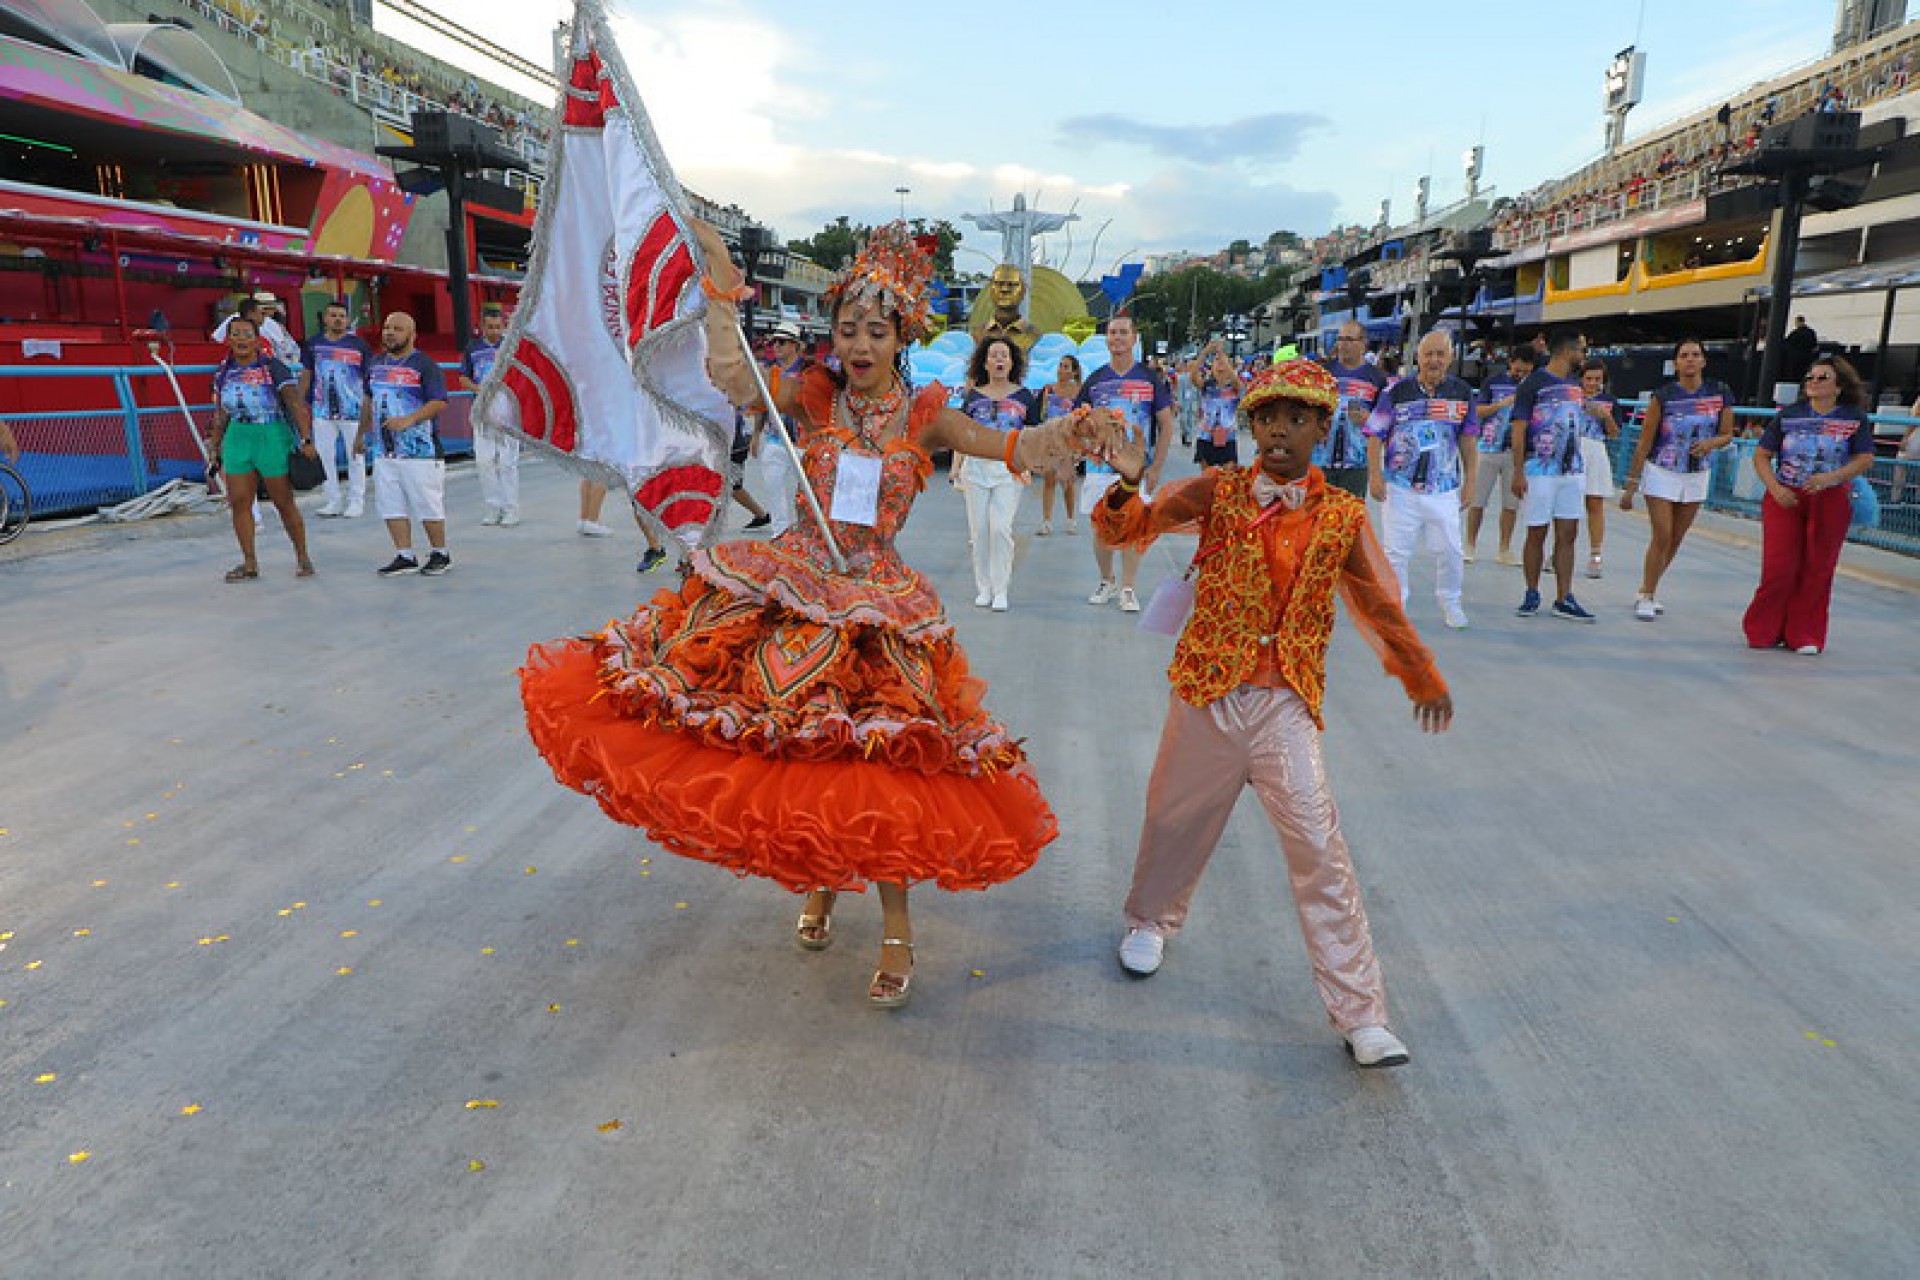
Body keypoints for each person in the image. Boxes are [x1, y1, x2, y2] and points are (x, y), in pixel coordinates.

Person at [519, 221, 1105, 1009]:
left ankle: (896, 927)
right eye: (846, 328)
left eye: (875, 329)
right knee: (799, 759)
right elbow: (733, 377)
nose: (858, 343)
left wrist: (1071, 429)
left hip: (878, 604)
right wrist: (723, 290)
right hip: (795, 586)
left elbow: (1009, 446)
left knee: (884, 763)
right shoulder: (815, 395)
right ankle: (823, 880)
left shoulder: (926, 412)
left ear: (902, 335)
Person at [1095, 359, 1453, 1069]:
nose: (1280, 431)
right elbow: (1127, 531)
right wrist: (1131, 478)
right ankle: (1149, 921)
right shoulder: (1220, 490)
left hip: (1285, 703)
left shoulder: (1344, 516)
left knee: (1320, 847)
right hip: (1208, 692)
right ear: (1251, 425)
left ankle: (1362, 1014)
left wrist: (1421, 675)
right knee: (1174, 817)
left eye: (1296, 418)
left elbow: (1379, 601)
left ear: (1324, 426)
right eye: (1267, 418)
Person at [1741, 356, 1876, 655]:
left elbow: (1865, 458)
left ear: (1838, 386)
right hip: (1786, 497)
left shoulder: (1854, 418)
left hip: (1830, 499)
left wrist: (1832, 478)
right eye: (1810, 377)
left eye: (1822, 377)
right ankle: (1763, 628)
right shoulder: (1789, 415)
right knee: (1779, 567)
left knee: (1818, 567)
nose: (1813, 382)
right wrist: (1775, 489)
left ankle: (1805, 634)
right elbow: (1762, 455)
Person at [1365, 330, 1477, 629]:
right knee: (1396, 552)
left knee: (1451, 550)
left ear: (1450, 358)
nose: (1434, 360)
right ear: (1418, 357)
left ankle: (1450, 601)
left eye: (1440, 354)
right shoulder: (1396, 392)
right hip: (1400, 487)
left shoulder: (1462, 393)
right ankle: (1396, 604)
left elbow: (1468, 439)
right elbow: (1375, 435)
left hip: (1442, 489)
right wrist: (1375, 477)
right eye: (1428, 354)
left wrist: (1470, 482)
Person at [1619, 339, 1734, 620]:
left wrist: (1711, 444)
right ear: (1676, 363)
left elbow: (1727, 433)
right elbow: (1645, 440)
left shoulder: (1720, 393)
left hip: (1697, 472)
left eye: (1696, 355)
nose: (1690, 360)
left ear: (1704, 360)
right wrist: (1631, 485)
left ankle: (1649, 587)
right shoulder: (1664, 395)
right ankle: (1646, 595)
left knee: (1676, 538)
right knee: (1662, 533)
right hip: (1662, 470)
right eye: (1684, 355)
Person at [207, 317, 315, 582]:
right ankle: (250, 563)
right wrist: (215, 444)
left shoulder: (273, 368)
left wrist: (306, 439)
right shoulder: (223, 372)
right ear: (229, 339)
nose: (241, 339)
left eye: (247, 334)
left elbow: (294, 403)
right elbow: (221, 412)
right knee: (240, 502)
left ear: (257, 339)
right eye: (236, 334)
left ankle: (303, 557)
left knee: (283, 501)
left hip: (271, 434)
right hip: (238, 437)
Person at [1079, 313, 1173, 613]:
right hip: (1099, 468)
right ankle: (1106, 580)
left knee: (1134, 525)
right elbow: (1077, 423)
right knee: (1101, 527)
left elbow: (1166, 424)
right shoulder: (1095, 381)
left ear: (1134, 338)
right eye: (1111, 332)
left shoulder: (1149, 379)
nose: (1117, 338)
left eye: (1123, 332)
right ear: (1106, 339)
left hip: (1135, 470)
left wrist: (1156, 465)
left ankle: (1128, 587)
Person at [1510, 329, 1597, 621]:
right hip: (1539, 471)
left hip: (1571, 470)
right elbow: (1519, 428)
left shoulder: (1575, 385)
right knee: (1537, 531)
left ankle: (1564, 597)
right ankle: (1532, 591)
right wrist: (1518, 470)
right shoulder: (1532, 384)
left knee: (1568, 533)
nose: (1583, 356)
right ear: (1566, 350)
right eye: (1580, 350)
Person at [357, 312, 452, 577]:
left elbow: (439, 401)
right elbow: (368, 401)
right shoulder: (375, 365)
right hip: (384, 450)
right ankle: (404, 555)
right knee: (390, 504)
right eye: (387, 327)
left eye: (397, 329)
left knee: (427, 504)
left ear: (412, 335)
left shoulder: (425, 365)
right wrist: (360, 436)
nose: (390, 333)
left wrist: (409, 420)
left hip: (420, 452)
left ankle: (440, 553)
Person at [957, 335, 1040, 611]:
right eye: (994, 355)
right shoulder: (973, 396)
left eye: (1004, 355)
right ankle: (984, 588)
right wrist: (956, 469)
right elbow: (962, 435)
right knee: (979, 531)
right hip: (976, 468)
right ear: (985, 362)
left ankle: (1001, 589)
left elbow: (1032, 435)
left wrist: (1027, 466)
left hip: (1008, 469)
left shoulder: (1025, 396)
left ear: (1012, 361)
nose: (999, 360)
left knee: (1001, 529)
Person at [300, 298, 373, 518]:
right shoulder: (313, 344)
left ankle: (356, 500)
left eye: (342, 316)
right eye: (333, 315)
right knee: (324, 456)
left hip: (352, 410)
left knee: (355, 455)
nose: (338, 319)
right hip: (322, 410)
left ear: (348, 320)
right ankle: (332, 500)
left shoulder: (359, 346)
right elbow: (306, 374)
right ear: (324, 318)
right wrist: (299, 402)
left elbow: (368, 376)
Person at [1465, 345, 1533, 565]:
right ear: (1510, 363)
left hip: (1515, 452)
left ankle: (1504, 548)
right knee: (1478, 500)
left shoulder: (1532, 387)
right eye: (1516, 369)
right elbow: (1477, 410)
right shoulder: (1492, 382)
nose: (1519, 374)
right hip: (1489, 447)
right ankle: (1469, 544)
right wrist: (1500, 405)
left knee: (1511, 503)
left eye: (1524, 371)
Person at [1315, 321, 1390, 498]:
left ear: (1363, 343)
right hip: (1321, 459)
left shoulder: (1377, 377)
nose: (1343, 345)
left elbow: (1386, 424)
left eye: (1349, 339)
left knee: (1351, 518)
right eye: (1340, 339)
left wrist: (1368, 420)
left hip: (1357, 463)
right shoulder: (1323, 373)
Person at [463, 305, 520, 528]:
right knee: (484, 461)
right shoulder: (472, 349)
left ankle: (511, 509)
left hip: (507, 406)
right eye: (490, 326)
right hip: (482, 406)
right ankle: (493, 507)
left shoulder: (511, 347)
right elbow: (463, 378)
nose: (495, 331)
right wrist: (480, 391)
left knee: (507, 462)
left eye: (498, 326)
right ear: (482, 326)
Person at [751, 321, 810, 535]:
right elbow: (761, 406)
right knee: (774, 493)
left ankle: (809, 536)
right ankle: (781, 536)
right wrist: (756, 435)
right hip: (774, 441)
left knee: (807, 496)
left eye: (782, 342)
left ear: (796, 346)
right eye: (774, 342)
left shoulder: (809, 373)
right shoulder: (769, 372)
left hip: (802, 444)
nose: (776, 346)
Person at [1576, 357, 1619, 579]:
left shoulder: (1609, 401)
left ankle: (1595, 555)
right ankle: (1557, 553)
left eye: (1598, 379)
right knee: (1567, 503)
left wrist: (1607, 416)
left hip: (1596, 451)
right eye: (1589, 378)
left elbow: (1614, 434)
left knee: (1595, 503)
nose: (1593, 383)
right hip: (1573, 450)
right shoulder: (1572, 397)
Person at [1036, 353, 1082, 535]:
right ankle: (1046, 520)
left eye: (1065, 367)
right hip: (1050, 441)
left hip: (1069, 443)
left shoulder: (1079, 391)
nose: (1061, 370)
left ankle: (1071, 519)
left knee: (1068, 482)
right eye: (1060, 365)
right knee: (1049, 481)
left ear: (1073, 372)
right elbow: (1041, 415)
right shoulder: (1049, 390)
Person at [1190, 340, 1243, 469]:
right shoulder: (1206, 385)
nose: (1219, 364)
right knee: (1207, 479)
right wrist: (1205, 352)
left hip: (1227, 437)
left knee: (1228, 477)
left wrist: (1221, 353)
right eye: (1216, 361)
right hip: (1206, 436)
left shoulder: (1234, 387)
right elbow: (1193, 375)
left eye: (1223, 362)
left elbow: (1235, 379)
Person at [975, 262, 1041, 351]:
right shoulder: (977, 334)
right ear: (990, 290)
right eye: (999, 284)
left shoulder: (1034, 335)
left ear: (1023, 291)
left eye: (1012, 284)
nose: (1005, 290)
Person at [1781, 316, 1820, 386]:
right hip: (1808, 358)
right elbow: (1814, 345)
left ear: (1798, 322)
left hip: (1796, 359)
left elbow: (1787, 344)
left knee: (1794, 376)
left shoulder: (1796, 333)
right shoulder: (1811, 332)